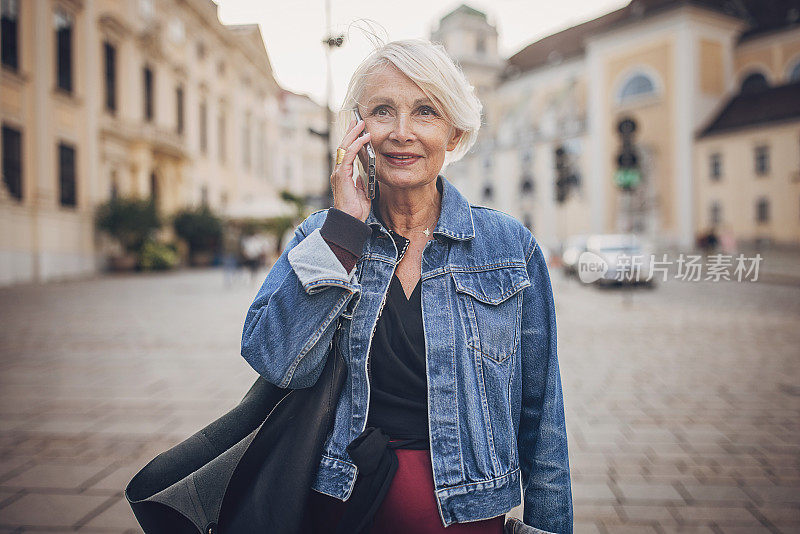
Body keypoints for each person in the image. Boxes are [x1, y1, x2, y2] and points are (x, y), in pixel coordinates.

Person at [241, 39, 572, 534]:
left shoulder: (510, 247)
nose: (401, 133)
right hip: (341, 509)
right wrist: (343, 237)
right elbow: (275, 359)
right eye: (381, 111)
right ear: (358, 128)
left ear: (454, 132)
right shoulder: (323, 235)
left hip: (468, 517)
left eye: (425, 112)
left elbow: (541, 415)